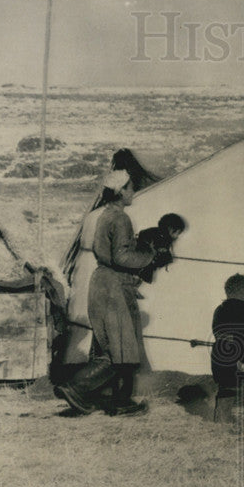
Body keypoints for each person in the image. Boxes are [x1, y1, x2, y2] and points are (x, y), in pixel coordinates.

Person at [57, 169, 155, 417]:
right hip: (113, 286)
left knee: (114, 347)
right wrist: (149, 255)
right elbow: (122, 256)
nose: (133, 193)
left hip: (103, 282)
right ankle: (76, 387)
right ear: (120, 190)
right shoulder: (120, 218)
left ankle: (119, 402)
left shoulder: (104, 215)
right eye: (131, 188)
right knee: (120, 351)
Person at [211, 273, 244, 423]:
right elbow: (243, 337)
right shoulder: (242, 311)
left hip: (219, 354)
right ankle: (231, 418)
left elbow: (219, 332)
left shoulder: (219, 309)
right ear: (242, 292)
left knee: (225, 387)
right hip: (237, 356)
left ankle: (221, 418)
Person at [135, 212, 187, 289]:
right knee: (142, 271)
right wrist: (155, 249)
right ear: (170, 229)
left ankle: (136, 285)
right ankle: (134, 285)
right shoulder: (151, 233)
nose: (178, 236)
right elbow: (143, 243)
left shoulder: (166, 238)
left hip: (150, 260)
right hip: (142, 259)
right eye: (178, 233)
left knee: (162, 260)